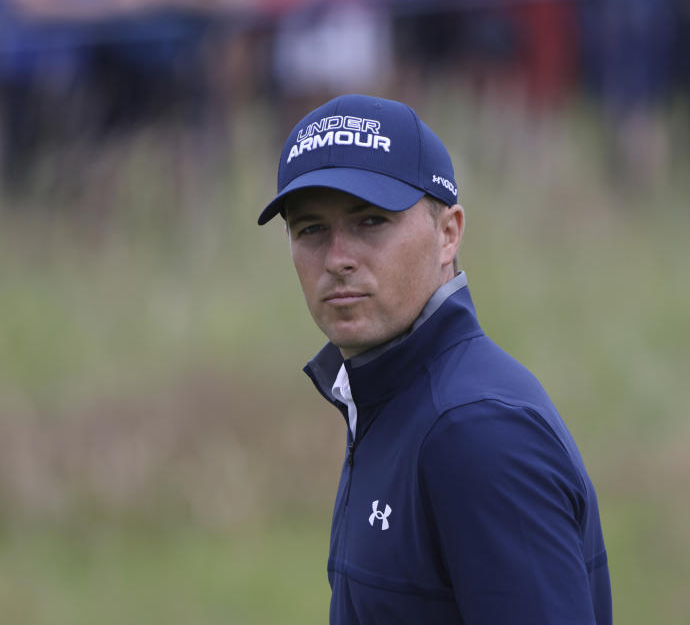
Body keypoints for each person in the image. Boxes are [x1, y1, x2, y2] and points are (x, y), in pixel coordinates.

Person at [257, 94, 612, 624]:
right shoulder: (386, 399)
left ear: (448, 233)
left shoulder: (474, 429)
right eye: (311, 229)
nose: (337, 259)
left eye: (370, 221)